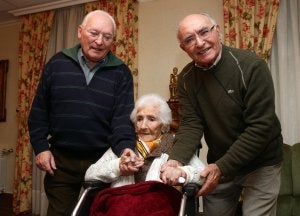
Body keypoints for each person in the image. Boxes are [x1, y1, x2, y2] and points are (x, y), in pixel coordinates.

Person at [160, 13, 283, 216]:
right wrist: (175, 160)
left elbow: (260, 128)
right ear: (184, 48)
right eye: (190, 39)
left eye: (204, 32)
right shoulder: (186, 79)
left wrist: (220, 167)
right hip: (221, 160)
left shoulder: (252, 66)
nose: (200, 43)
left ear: (217, 31)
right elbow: (191, 124)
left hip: (261, 162)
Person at [28, 10, 137, 216]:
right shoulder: (57, 64)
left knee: (97, 213)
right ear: (80, 32)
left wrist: (125, 149)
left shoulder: (121, 72)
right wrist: (41, 147)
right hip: (60, 161)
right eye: (94, 33)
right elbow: (39, 112)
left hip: (102, 161)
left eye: (107, 37)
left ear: (113, 40)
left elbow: (122, 120)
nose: (99, 41)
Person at [84, 93, 205, 215]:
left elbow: (202, 174)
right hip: (121, 208)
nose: (143, 126)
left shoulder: (175, 145)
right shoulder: (124, 146)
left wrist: (183, 172)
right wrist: (118, 166)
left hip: (157, 209)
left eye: (151, 119)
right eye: (139, 119)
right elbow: (90, 175)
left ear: (164, 124)